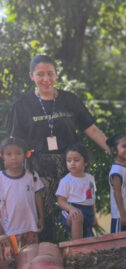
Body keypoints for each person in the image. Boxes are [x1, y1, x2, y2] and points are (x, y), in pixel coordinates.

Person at [8, 55, 109, 242]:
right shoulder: (22, 105)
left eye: (50, 73)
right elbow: (16, 144)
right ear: (31, 76)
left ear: (56, 74)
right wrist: (15, 177)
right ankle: (47, 255)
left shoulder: (70, 100)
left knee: (75, 215)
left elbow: (91, 129)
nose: (46, 79)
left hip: (71, 168)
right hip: (39, 171)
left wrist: (113, 150)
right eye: (40, 74)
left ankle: (78, 253)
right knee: (44, 221)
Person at [0, 137, 44, 246]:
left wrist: (41, 218)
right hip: (9, 231)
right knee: (13, 256)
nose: (14, 157)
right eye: (9, 154)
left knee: (31, 254)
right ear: (2, 156)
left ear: (26, 154)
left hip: (31, 228)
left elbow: (38, 197)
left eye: (18, 153)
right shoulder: (1, 178)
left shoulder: (32, 175)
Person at [56, 143, 98, 240]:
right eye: (69, 160)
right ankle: (76, 245)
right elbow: (60, 201)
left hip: (88, 211)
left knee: (88, 238)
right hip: (71, 210)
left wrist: (95, 216)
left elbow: (92, 199)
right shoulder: (66, 181)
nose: (72, 163)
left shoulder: (90, 179)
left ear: (85, 162)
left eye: (76, 160)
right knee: (77, 216)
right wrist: (71, 209)